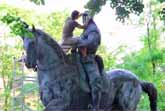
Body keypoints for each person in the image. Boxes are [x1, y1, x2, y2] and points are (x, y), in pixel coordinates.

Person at [78, 12, 102, 111]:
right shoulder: (85, 31)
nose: (83, 21)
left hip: (88, 59)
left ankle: (95, 107)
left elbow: (91, 42)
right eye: (83, 18)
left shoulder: (93, 30)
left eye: (85, 18)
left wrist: (77, 43)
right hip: (79, 58)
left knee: (95, 81)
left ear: (89, 19)